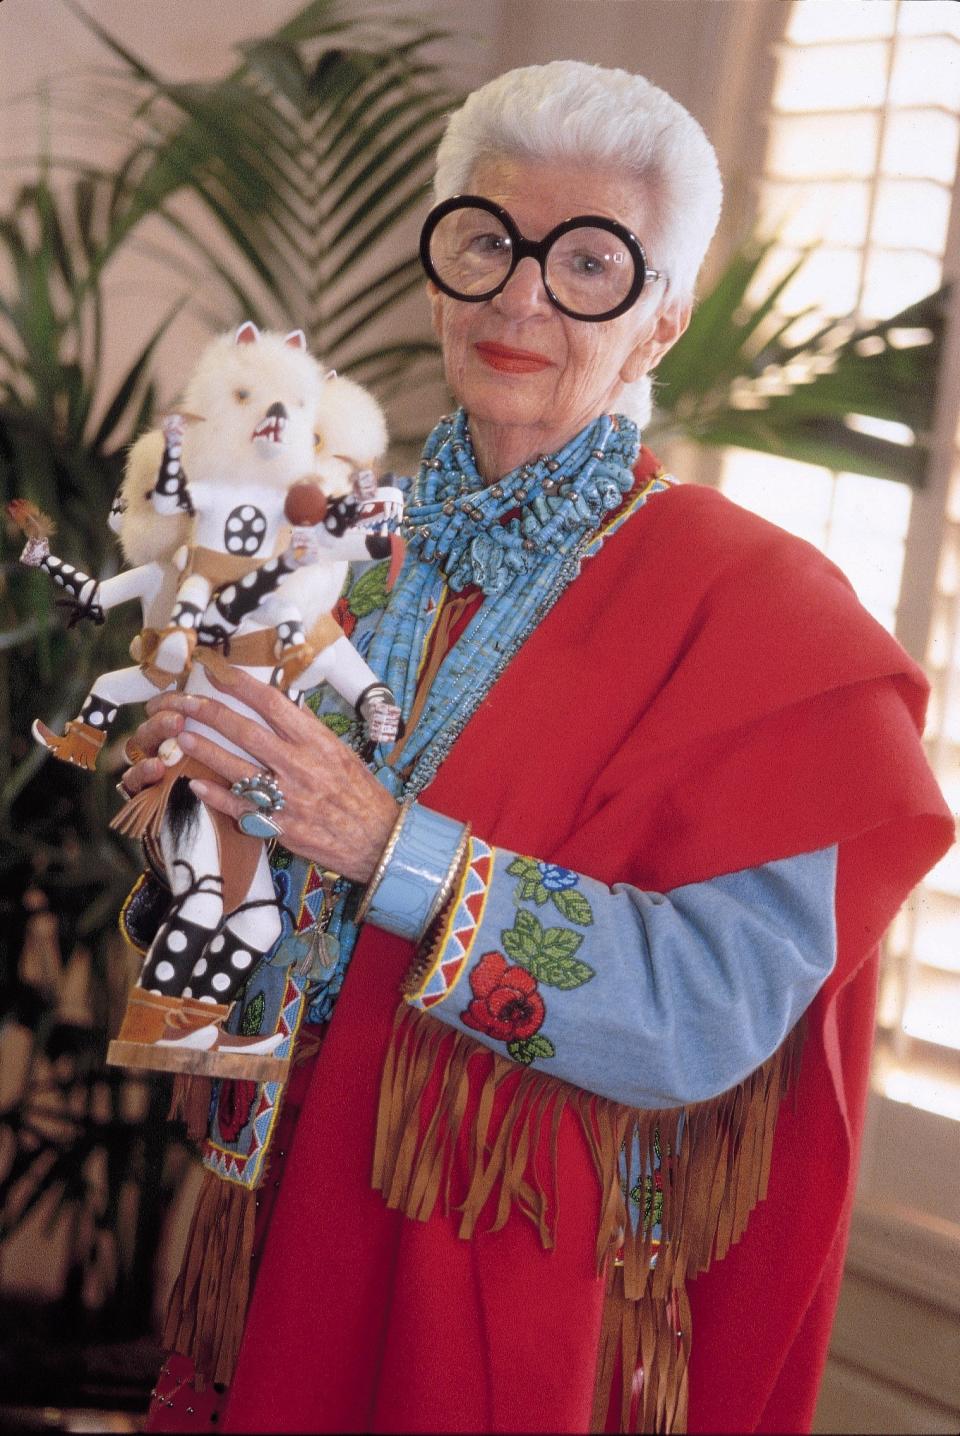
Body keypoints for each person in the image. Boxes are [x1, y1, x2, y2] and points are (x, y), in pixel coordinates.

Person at [124, 61, 952, 1435]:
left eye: (590, 264)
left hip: (523, 1303)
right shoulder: (329, 550)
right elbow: (217, 967)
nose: (521, 296)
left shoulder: (772, 621)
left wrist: (390, 849)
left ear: (663, 320)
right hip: (270, 1251)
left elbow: (707, 1018)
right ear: (441, 271)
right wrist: (195, 841)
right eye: (487, 244)